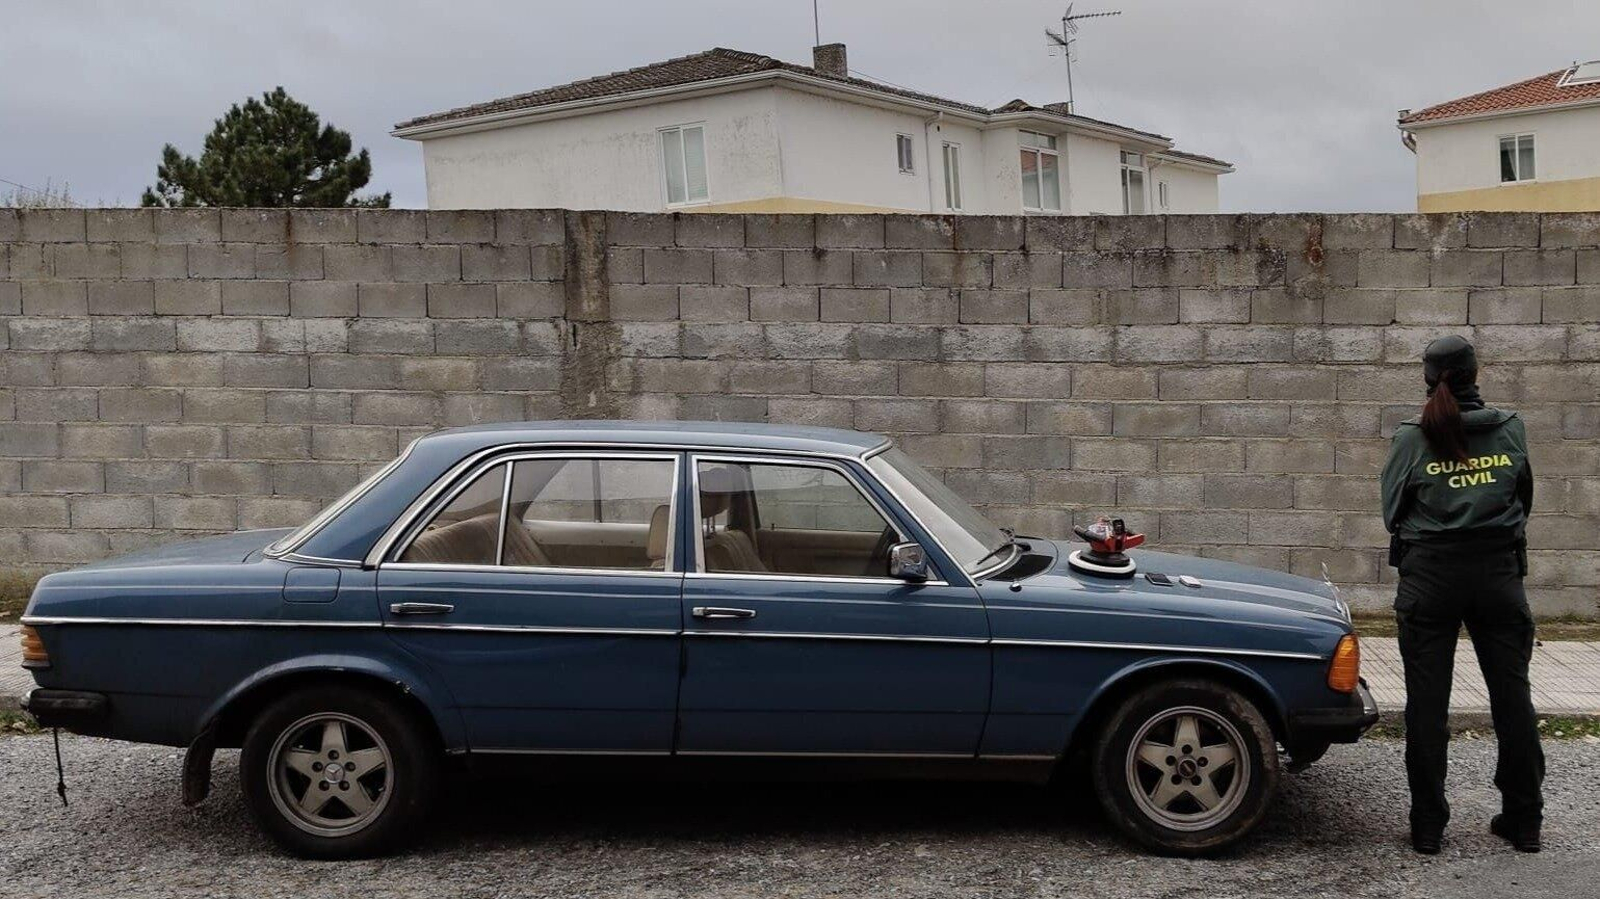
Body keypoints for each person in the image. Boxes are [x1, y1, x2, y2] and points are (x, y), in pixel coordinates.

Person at [1380, 335, 1543, 855]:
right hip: (1498, 577)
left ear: (1429, 380)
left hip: (1430, 580)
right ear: (1477, 374)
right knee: (1512, 699)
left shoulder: (1412, 437)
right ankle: (1524, 821)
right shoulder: (1510, 428)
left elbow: (1391, 511)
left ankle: (1428, 827)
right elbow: (1525, 498)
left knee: (1427, 709)